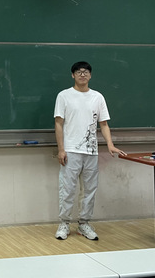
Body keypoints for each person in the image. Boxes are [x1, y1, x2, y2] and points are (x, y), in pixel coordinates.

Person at [53, 61, 125, 241]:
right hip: (70, 150)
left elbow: (104, 124)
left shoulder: (97, 97)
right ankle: (64, 223)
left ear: (90, 75)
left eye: (85, 72)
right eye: (78, 72)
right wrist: (61, 149)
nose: (82, 74)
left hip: (91, 151)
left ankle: (84, 224)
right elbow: (58, 123)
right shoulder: (64, 96)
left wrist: (110, 144)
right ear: (73, 75)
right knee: (67, 189)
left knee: (89, 190)